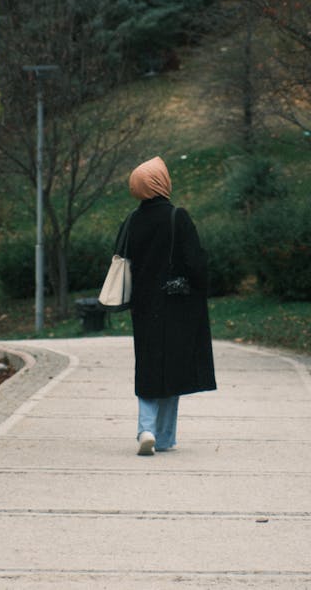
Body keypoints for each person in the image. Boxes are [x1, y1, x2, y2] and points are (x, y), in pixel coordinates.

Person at [115, 156, 216, 456]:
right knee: (173, 367)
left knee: (147, 365)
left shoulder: (132, 221)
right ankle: (164, 436)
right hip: (176, 305)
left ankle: (146, 428)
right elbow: (196, 264)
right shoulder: (177, 217)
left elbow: (122, 259)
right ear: (162, 182)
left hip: (144, 306)